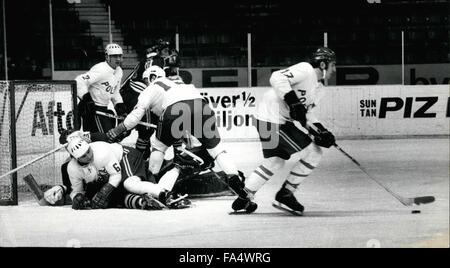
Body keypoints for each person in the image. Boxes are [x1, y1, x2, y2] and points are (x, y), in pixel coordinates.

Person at [106, 65, 255, 211]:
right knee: (217, 150)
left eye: (145, 81)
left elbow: (136, 116)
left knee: (158, 148)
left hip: (175, 110)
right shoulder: (181, 83)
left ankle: (153, 185)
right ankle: (235, 179)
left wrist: (118, 129)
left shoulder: (151, 87)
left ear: (151, 77)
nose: (145, 84)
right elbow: (189, 121)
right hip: (202, 107)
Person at [231, 47, 337, 215]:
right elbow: (277, 77)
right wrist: (292, 101)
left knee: (275, 161)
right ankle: (285, 194)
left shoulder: (319, 89)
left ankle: (244, 196)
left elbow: (306, 114)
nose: (334, 69)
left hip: (270, 119)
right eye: (333, 65)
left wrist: (321, 132)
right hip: (272, 119)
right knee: (314, 153)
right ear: (323, 64)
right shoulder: (306, 70)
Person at [64, 136, 190, 210]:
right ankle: (143, 200)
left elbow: (116, 176)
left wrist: (104, 191)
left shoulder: (101, 151)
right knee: (117, 197)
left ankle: (166, 195)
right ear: (76, 158)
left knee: (130, 184)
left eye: (88, 150)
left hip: (126, 157)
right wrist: (77, 198)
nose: (88, 155)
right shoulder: (72, 168)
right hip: (113, 174)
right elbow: (77, 189)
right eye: (83, 156)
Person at [75, 43, 127, 133]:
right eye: (114, 56)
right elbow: (79, 81)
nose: (118, 59)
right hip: (92, 110)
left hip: (103, 109)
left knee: (110, 137)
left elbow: (115, 91)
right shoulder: (101, 69)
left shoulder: (119, 71)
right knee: (104, 138)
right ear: (107, 57)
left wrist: (119, 104)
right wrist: (87, 99)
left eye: (120, 56)